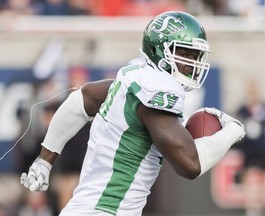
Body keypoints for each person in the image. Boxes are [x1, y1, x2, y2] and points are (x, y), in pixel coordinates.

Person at [20, 11, 245, 216]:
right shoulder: (155, 88)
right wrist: (232, 131)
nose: (192, 64)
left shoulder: (133, 78)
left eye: (196, 56)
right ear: (160, 50)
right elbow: (190, 164)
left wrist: (44, 160)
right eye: (185, 54)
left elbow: (80, 100)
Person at [235, 80, 265, 216]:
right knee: (246, 175)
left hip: (262, 147)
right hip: (248, 148)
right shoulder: (243, 109)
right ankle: (250, 206)